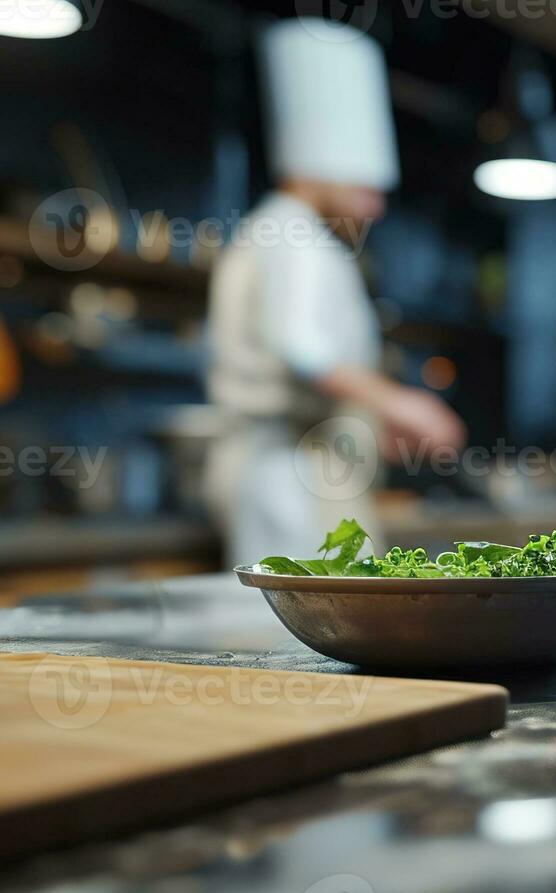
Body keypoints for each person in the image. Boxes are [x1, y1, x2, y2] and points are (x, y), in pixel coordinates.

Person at [204, 18, 464, 567]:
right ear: (315, 167)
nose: (375, 208)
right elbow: (301, 347)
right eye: (364, 185)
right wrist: (404, 404)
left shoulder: (295, 232)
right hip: (284, 477)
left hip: (303, 466)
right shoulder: (290, 231)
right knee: (286, 644)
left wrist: (373, 418)